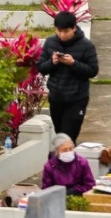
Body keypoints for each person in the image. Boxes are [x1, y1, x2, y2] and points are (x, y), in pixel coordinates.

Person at [38, 10, 99, 142]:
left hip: (77, 99)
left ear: (74, 28)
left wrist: (73, 63)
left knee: (67, 137)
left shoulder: (86, 46)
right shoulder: (50, 42)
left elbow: (93, 71)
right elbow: (41, 67)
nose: (62, 35)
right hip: (56, 98)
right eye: (59, 31)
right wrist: (52, 62)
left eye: (66, 31)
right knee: (60, 135)